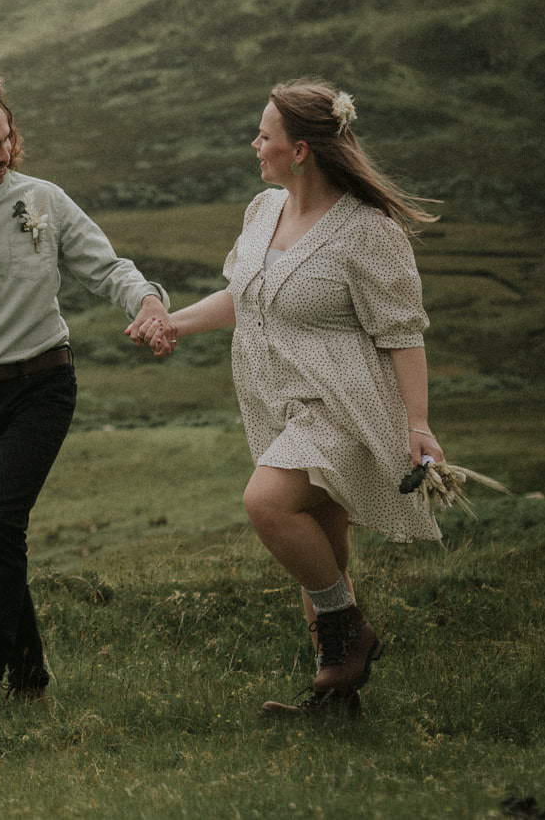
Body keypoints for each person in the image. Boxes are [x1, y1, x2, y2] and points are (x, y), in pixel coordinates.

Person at [154, 78, 442, 715]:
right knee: (325, 549)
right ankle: (335, 691)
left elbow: (403, 332)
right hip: (280, 403)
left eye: (265, 135)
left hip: (343, 403)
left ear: (302, 150)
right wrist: (175, 322)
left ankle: (351, 633)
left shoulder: (368, 232)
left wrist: (417, 423)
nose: (255, 144)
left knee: (268, 503)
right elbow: (245, 296)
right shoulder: (264, 211)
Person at [0, 78, 171, 719]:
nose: (7, 154)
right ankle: (32, 676)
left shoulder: (42, 198)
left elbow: (107, 267)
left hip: (43, 385)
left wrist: (150, 303)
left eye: (8, 138)